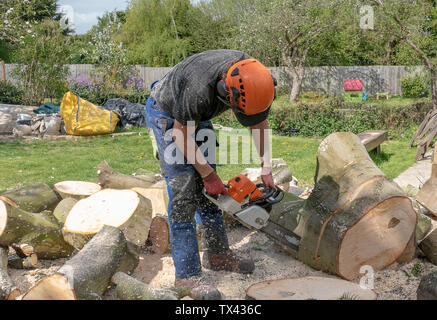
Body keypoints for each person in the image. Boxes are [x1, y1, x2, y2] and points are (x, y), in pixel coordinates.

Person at [145, 49, 276, 300]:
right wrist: (208, 176)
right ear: (227, 91)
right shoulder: (198, 87)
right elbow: (180, 133)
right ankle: (187, 275)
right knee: (184, 192)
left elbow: (259, 123)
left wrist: (266, 168)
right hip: (170, 116)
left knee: (210, 194)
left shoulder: (254, 77)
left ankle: (218, 254)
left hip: (196, 115)